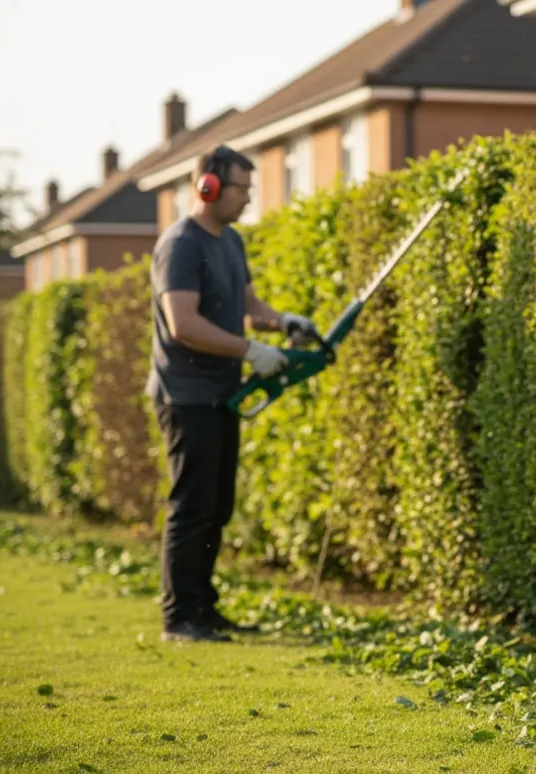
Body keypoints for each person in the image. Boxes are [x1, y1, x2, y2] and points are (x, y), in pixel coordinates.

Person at [146, 144, 318, 643]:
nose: (249, 198)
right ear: (209, 186)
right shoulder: (180, 244)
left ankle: (205, 610)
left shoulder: (230, 241)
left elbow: (245, 301)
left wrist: (281, 320)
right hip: (186, 393)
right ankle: (180, 619)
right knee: (191, 505)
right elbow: (183, 323)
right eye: (242, 188)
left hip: (222, 391)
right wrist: (251, 350)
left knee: (217, 505)